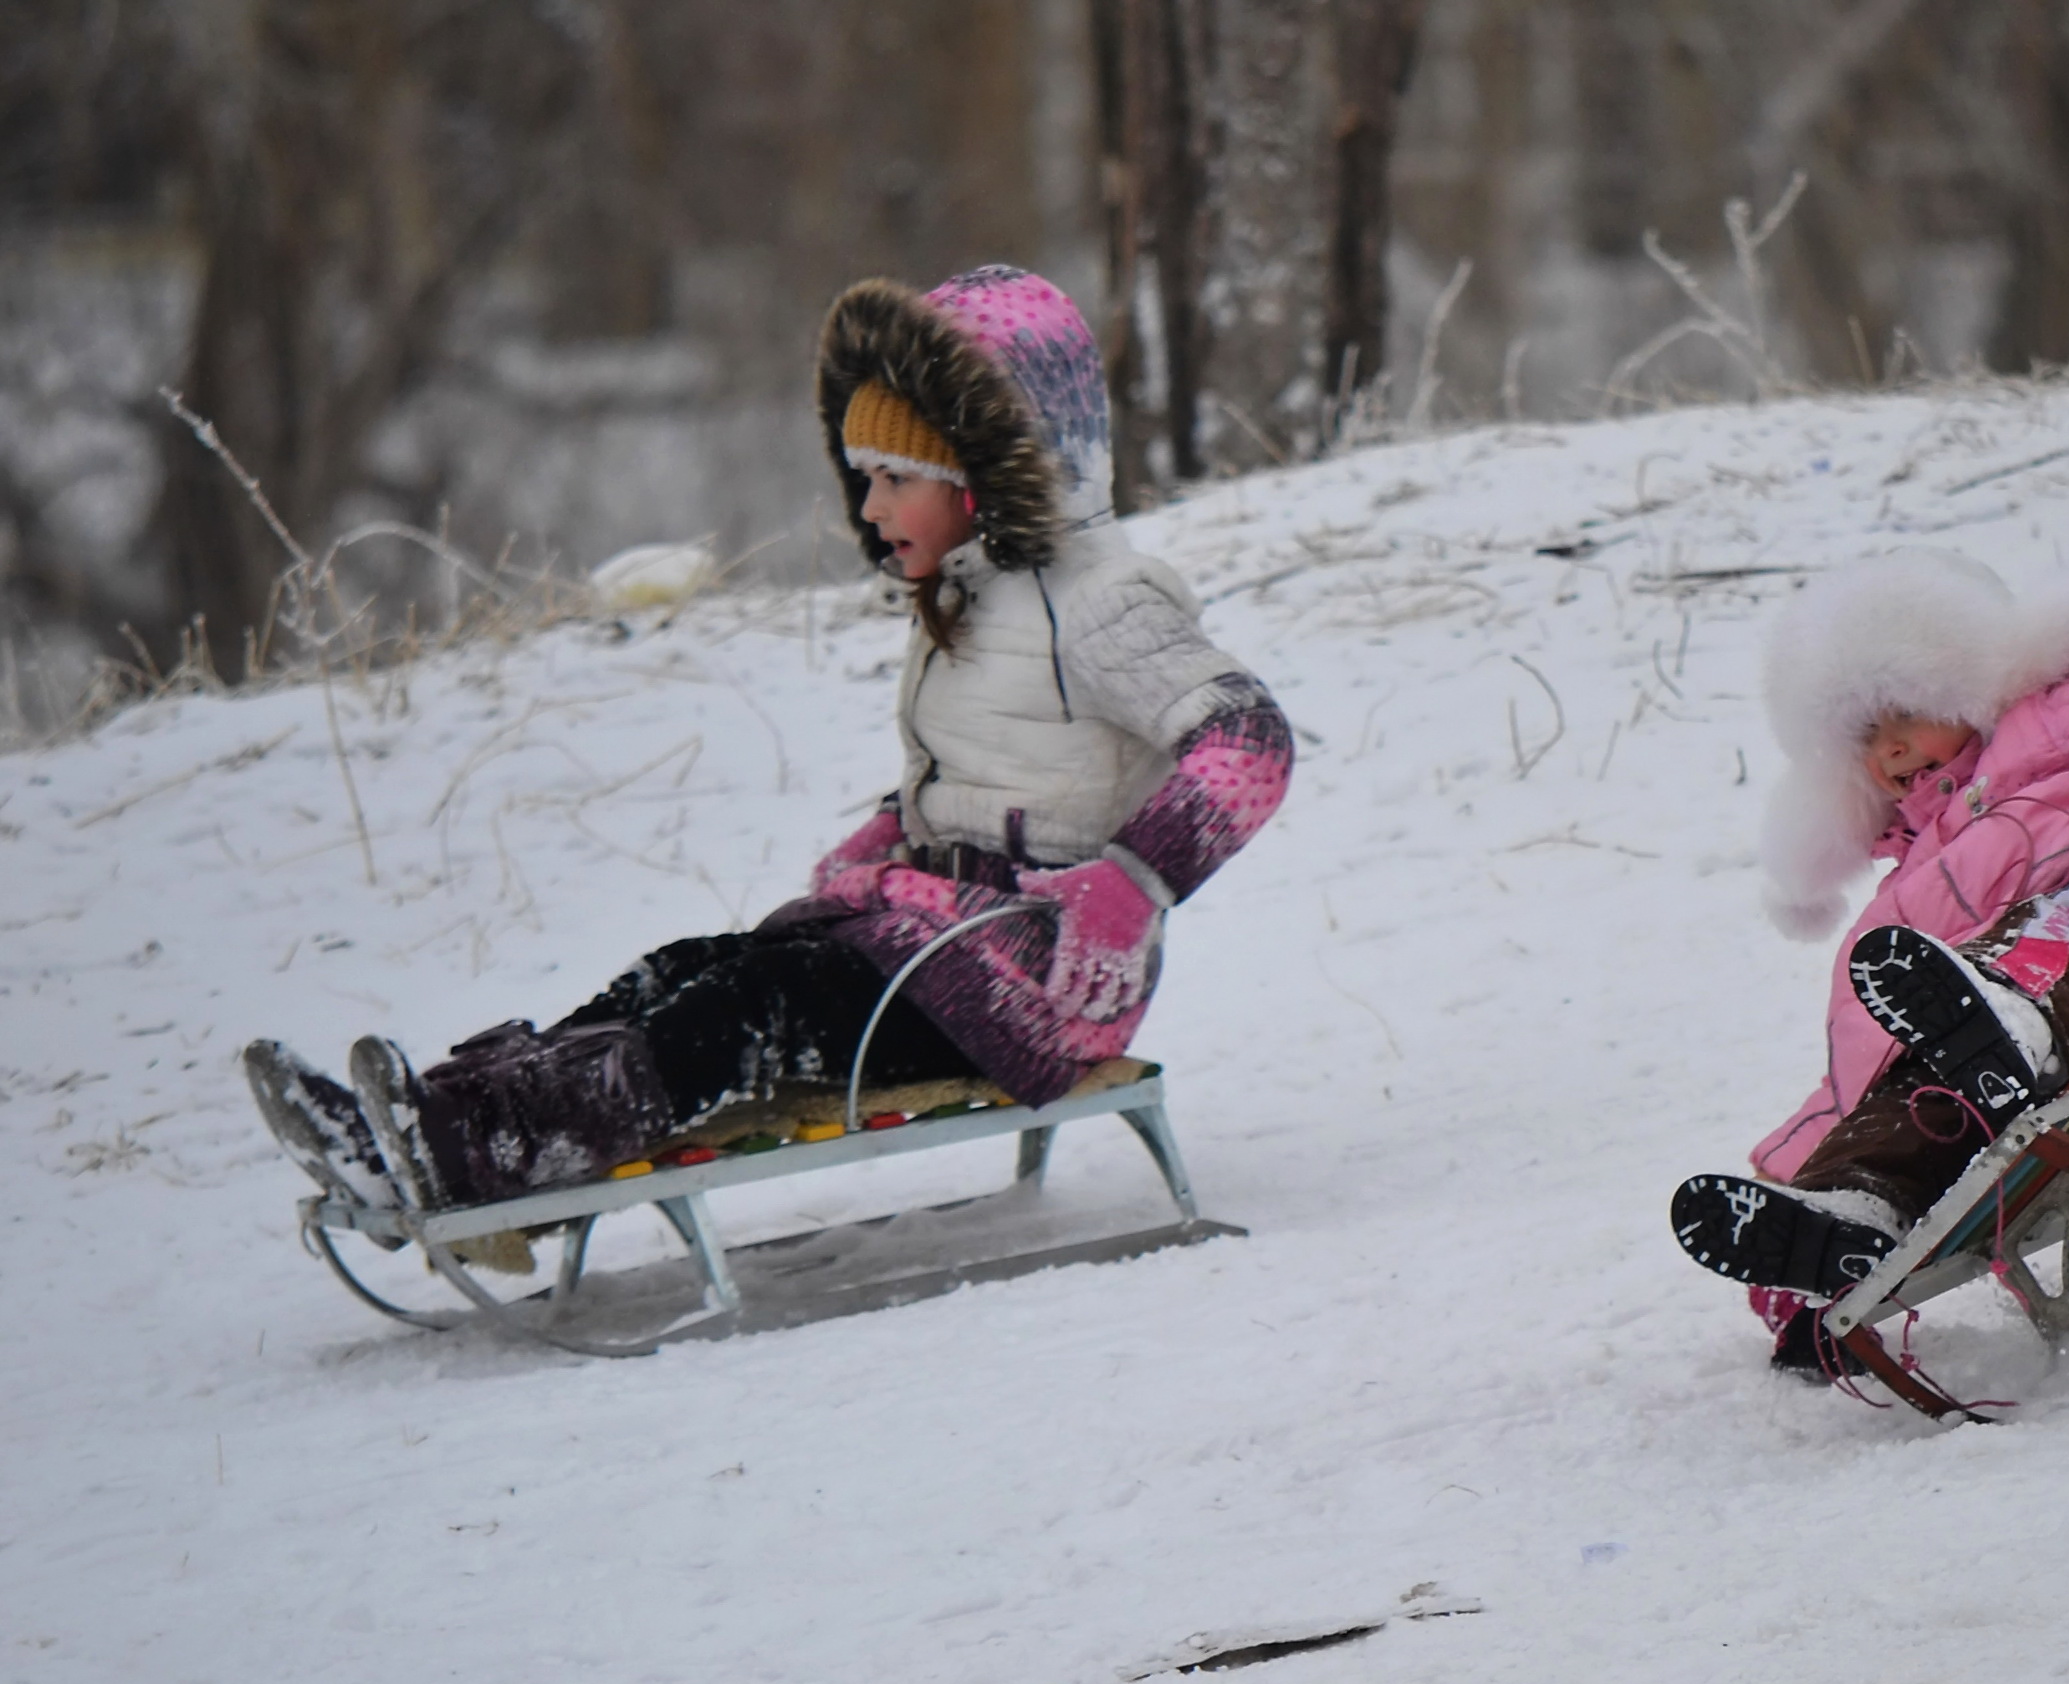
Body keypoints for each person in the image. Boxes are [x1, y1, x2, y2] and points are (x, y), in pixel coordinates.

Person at [245, 266, 1292, 1217]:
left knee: (751, 1010)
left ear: (981, 475)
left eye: (896, 478)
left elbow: (1250, 740)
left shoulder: (1104, 604)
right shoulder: (976, 598)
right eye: (863, 478)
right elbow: (1007, 769)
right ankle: (431, 1124)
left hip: (1036, 986)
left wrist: (1129, 886)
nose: (872, 508)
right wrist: (894, 833)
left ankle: (476, 1157)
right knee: (690, 968)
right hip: (937, 936)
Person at [1666, 549, 2069, 1370]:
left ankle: (2011, 1022)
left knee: (2047, 931)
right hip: (1979, 1060)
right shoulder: (1910, 882)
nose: (1892, 748)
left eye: (1909, 712)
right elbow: (1859, 1069)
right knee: (1909, 1083)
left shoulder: (2059, 715)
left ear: (1968, 680)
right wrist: (1805, 1180)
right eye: (1867, 736)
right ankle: (1848, 1223)